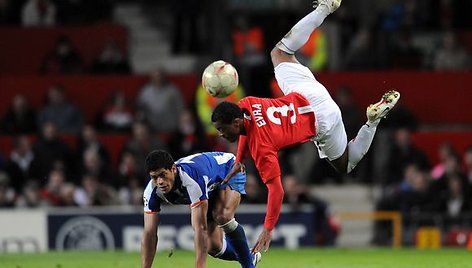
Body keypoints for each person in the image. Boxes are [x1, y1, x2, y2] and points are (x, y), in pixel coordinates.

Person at [211, 0, 401, 253]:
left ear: (236, 122)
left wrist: (268, 229)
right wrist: (238, 160)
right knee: (279, 53)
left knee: (345, 163)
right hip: (309, 93)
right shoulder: (245, 103)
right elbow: (246, 129)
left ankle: (372, 120)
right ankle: (324, 9)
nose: (221, 135)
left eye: (223, 130)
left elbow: (276, 191)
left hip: (321, 120)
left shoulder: (263, 148)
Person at [141, 150, 261, 268]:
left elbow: (200, 229)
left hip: (228, 168)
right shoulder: (151, 192)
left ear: (173, 169)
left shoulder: (191, 180)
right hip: (209, 185)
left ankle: (248, 265)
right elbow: (149, 233)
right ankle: (249, 256)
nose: (160, 181)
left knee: (222, 215)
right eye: (154, 177)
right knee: (213, 246)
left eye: (163, 174)